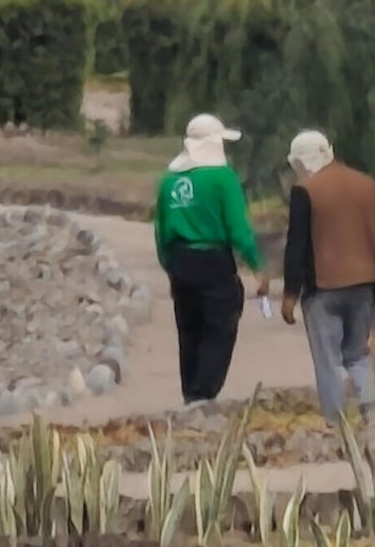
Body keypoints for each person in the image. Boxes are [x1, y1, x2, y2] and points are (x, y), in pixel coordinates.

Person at [153, 113, 268, 406]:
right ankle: (206, 393)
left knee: (188, 327)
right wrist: (257, 265)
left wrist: (171, 265)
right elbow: (238, 229)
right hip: (213, 258)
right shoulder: (222, 179)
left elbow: (161, 231)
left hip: (180, 260)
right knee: (220, 324)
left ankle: (190, 392)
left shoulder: (169, 181)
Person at [281, 129, 375, 438]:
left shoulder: (305, 190)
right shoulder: (366, 184)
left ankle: (336, 422)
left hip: (322, 288)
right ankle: (370, 409)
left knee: (327, 357)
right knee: (358, 353)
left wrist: (290, 295)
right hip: (364, 285)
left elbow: (297, 245)